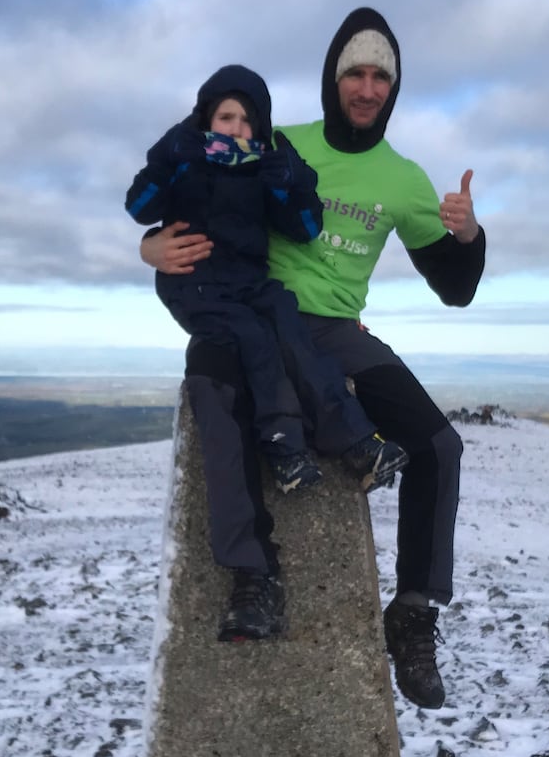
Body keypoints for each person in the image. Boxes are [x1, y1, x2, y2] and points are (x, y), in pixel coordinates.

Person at [140, 9, 485, 709]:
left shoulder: (404, 179)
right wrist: (150, 248)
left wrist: (470, 234)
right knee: (219, 401)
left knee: (440, 446)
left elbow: (456, 288)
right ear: (334, 79)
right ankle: (252, 578)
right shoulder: (278, 140)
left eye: (379, 76)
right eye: (354, 73)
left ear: (393, 87)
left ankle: (413, 610)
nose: (366, 88)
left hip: (333, 330)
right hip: (249, 310)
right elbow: (190, 192)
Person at [126, 65, 408, 528]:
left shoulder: (265, 163)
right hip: (195, 284)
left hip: (251, 283)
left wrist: (294, 183)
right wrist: (165, 161)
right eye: (225, 118)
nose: (236, 129)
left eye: (247, 121)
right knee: (255, 337)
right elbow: (139, 208)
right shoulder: (183, 157)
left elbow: (306, 229)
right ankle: (284, 446)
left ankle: (358, 443)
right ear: (206, 120)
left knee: (291, 331)